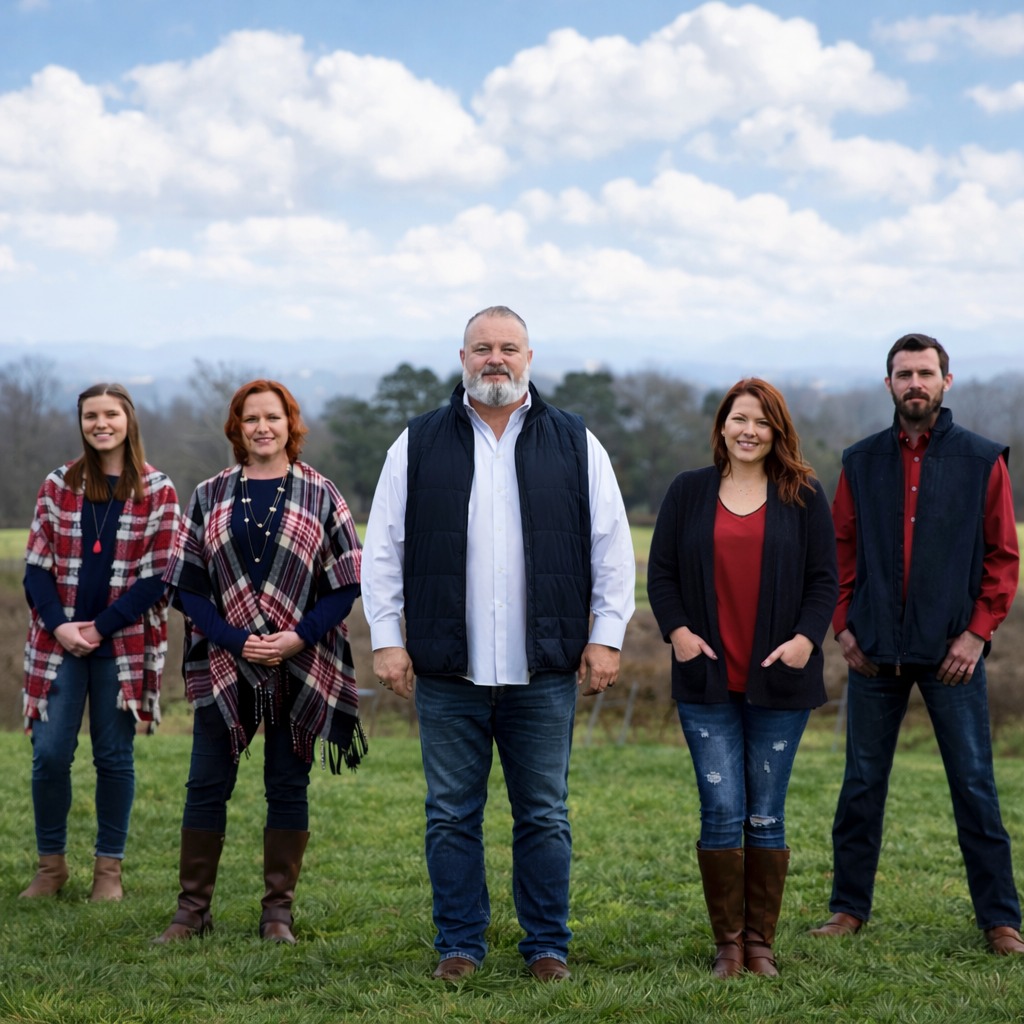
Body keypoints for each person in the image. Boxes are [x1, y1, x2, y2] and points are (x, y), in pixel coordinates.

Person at [362, 305, 635, 982]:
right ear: (462, 359)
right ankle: (459, 945)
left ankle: (546, 947)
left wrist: (606, 637)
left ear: (529, 359)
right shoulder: (418, 442)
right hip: (448, 668)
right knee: (451, 815)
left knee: (543, 814)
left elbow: (612, 546)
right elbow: (383, 550)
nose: (495, 358)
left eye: (508, 347)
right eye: (482, 347)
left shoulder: (575, 440)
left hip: (541, 667)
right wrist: (387, 639)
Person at [810, 334, 1024, 955]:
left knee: (976, 787)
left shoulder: (984, 461)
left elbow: (1003, 560)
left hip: (954, 655)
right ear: (889, 385)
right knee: (861, 786)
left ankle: (1000, 920)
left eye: (925, 373)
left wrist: (977, 634)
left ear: (945, 382)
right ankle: (848, 908)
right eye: (903, 374)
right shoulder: (860, 460)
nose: (915, 383)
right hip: (873, 650)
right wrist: (844, 625)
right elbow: (839, 550)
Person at [153, 379, 364, 946]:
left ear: (290, 424)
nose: (262, 427)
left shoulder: (322, 494)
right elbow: (188, 586)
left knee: (287, 786)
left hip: (299, 661)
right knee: (205, 785)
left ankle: (278, 915)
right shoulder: (210, 494)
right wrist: (230, 637)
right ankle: (191, 911)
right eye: (251, 419)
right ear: (236, 428)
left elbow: (346, 583)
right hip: (226, 662)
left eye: (273, 417)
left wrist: (297, 636)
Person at [647, 378, 838, 978]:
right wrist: (678, 633)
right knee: (722, 810)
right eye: (739, 419)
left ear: (777, 432)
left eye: (762, 422)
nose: (749, 431)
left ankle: (760, 943)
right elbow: (663, 574)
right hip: (707, 680)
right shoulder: (688, 492)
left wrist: (806, 640)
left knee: (766, 813)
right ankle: (728, 943)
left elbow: (825, 580)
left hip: (780, 682)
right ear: (722, 426)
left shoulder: (803, 495)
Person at [20, 383, 180, 901]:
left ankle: (108, 871)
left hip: (124, 644)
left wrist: (101, 626)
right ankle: (51, 866)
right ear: (82, 422)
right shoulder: (58, 485)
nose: (100, 423)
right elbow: (36, 569)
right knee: (49, 755)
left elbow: (159, 577)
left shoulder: (157, 490)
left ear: (128, 419)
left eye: (111, 414)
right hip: (57, 642)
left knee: (113, 757)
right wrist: (62, 625)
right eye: (91, 415)